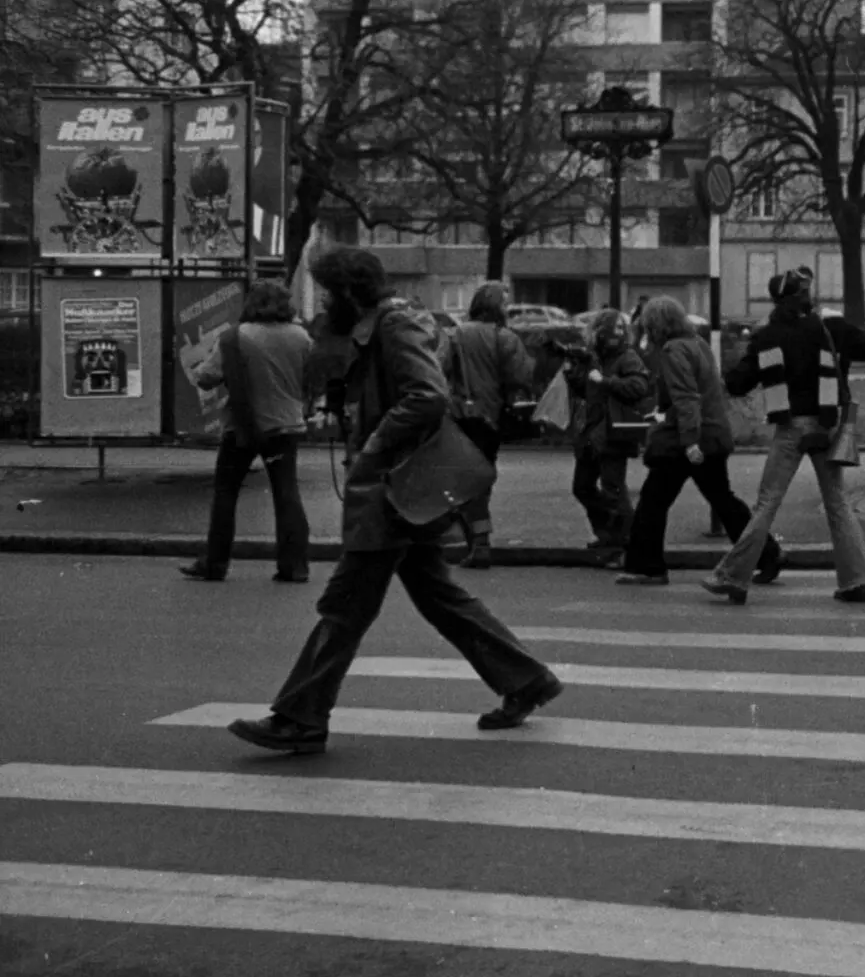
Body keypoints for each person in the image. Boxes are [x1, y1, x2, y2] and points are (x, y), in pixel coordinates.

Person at [225, 248, 560, 755]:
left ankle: (301, 717)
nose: (324, 301)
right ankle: (526, 679)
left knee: (345, 605)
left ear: (350, 290)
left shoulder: (394, 323)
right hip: (399, 489)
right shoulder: (379, 325)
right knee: (437, 595)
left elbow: (427, 395)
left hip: (391, 491)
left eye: (329, 291)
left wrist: (375, 446)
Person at [703, 266, 865, 605]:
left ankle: (733, 576)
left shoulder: (767, 336)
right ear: (804, 296)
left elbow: (739, 382)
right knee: (837, 502)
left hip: (790, 427)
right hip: (827, 424)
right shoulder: (828, 328)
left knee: (767, 503)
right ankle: (856, 581)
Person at [620, 296, 769, 586]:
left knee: (652, 502)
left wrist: (689, 441)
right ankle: (766, 553)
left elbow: (687, 398)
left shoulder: (673, 350)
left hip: (687, 441)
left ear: (656, 325)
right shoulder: (697, 344)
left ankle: (647, 566)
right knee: (723, 500)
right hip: (711, 434)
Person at [179, 278, 315, 584]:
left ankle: (215, 564)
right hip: (286, 425)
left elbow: (207, 378)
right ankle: (294, 566)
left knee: (226, 493)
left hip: (242, 426)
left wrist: (199, 368)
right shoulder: (302, 337)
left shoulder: (234, 337)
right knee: (287, 493)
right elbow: (311, 378)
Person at [437, 281, 535, 568]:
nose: (508, 308)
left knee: (462, 478)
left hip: (458, 415)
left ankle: (472, 538)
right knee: (480, 480)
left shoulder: (454, 335)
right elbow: (520, 377)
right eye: (504, 303)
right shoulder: (505, 337)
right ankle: (479, 542)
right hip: (490, 417)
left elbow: (438, 370)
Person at [567, 308, 653, 561]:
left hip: (614, 432)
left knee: (613, 490)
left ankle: (626, 543)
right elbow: (587, 392)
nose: (620, 332)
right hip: (592, 431)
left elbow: (639, 387)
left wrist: (606, 381)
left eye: (622, 327)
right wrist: (573, 376)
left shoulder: (627, 357)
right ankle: (608, 533)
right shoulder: (594, 356)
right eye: (615, 327)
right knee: (582, 487)